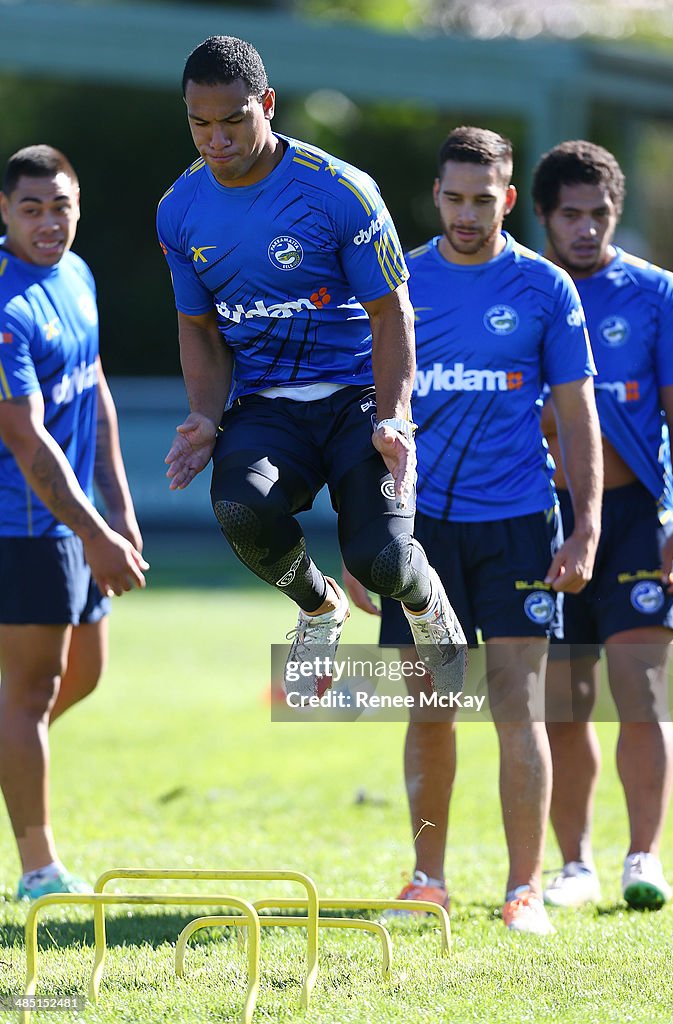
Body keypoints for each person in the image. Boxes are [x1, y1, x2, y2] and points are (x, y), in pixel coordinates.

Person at [344, 126, 603, 934]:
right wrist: (359, 534)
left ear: (508, 199)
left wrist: (586, 522)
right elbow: (364, 415)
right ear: (435, 195)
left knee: (517, 708)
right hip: (417, 532)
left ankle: (522, 889)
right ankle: (427, 878)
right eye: (453, 198)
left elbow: (575, 410)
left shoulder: (545, 288)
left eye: (481, 200)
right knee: (431, 709)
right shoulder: (398, 285)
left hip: (520, 523)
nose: (466, 213)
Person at [157, 35, 466, 696]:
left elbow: (392, 313)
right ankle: (319, 607)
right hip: (268, 406)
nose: (216, 139)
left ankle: (425, 604)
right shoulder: (179, 210)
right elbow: (197, 325)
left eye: (233, 119)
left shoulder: (339, 192)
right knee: (241, 510)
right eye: (200, 122)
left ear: (265, 104)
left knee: (380, 560)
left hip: (357, 397)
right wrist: (204, 417)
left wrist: (393, 416)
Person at [532, 141, 673, 911]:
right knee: (563, 699)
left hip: (633, 521)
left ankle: (642, 858)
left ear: (615, 214)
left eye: (599, 215)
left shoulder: (659, 296)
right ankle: (574, 865)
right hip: (540, 519)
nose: (585, 229)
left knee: (642, 691)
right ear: (543, 218)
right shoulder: (524, 290)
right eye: (570, 215)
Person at [0, 145, 148, 900]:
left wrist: (118, 505)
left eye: (60, 206)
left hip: (77, 518)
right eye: (31, 208)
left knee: (84, 674)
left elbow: (96, 394)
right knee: (29, 694)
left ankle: (11, 755)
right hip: (20, 524)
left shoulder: (78, 276)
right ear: (3, 211)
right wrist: (94, 533)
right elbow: (25, 438)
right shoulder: (5, 301)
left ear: (79, 203)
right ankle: (38, 870)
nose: (48, 222)